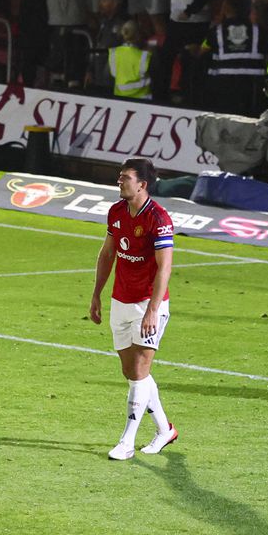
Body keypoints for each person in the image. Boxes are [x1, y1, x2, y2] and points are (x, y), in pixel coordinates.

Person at [88, 157, 178, 461]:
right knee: (132, 372)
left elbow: (164, 267)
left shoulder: (159, 218)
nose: (120, 181)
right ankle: (165, 429)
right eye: (119, 177)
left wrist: (153, 309)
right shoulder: (115, 212)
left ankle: (126, 442)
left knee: (139, 371)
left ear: (142, 184)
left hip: (147, 304)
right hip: (120, 300)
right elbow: (107, 253)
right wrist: (96, 294)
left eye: (125, 177)